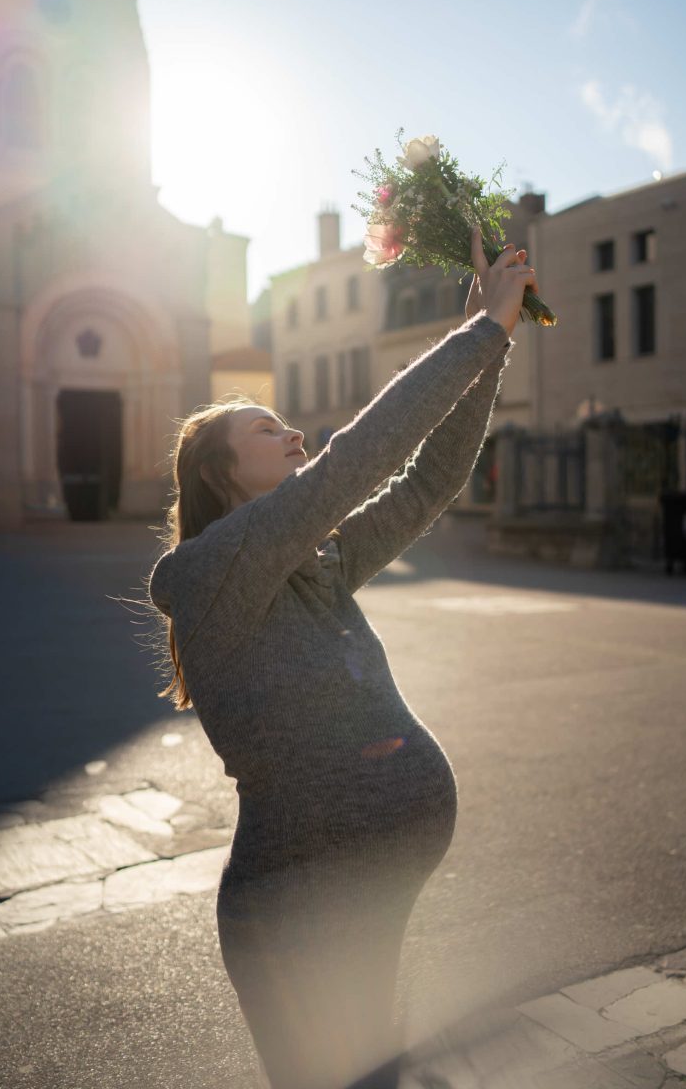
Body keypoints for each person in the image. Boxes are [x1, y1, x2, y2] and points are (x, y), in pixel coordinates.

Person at [149, 230, 539, 1089]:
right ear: (220, 475)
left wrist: (490, 350)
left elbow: (428, 484)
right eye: (267, 429)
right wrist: (479, 337)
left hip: (360, 890)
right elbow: (352, 466)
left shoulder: (313, 562)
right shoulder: (214, 571)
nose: (293, 436)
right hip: (292, 913)